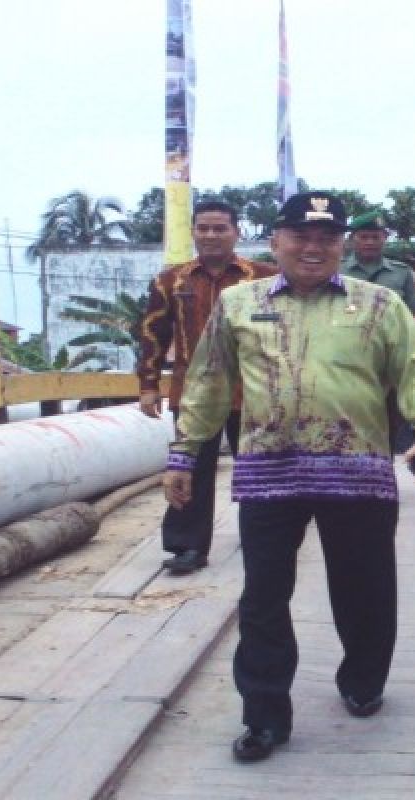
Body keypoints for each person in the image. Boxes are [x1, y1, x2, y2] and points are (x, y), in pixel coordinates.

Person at [163, 191, 415, 764]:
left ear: (342, 245)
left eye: (326, 237)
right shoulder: (239, 304)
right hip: (270, 472)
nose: (313, 247)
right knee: (264, 597)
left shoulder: (378, 304)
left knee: (364, 589)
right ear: (276, 242)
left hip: (360, 474)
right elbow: (208, 381)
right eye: (300, 235)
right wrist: (183, 453)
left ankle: (364, 679)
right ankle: (265, 715)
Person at [138, 199, 276, 575]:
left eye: (220, 228)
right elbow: (152, 334)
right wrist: (148, 385)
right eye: (204, 228)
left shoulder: (264, 278)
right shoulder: (171, 281)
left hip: (253, 392)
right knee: (190, 467)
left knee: (259, 468)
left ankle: (264, 540)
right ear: (194, 232)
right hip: (193, 393)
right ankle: (187, 546)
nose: (211, 235)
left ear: (237, 233)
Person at [341, 210, 415, 452]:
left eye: (376, 236)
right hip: (349, 354)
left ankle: (386, 468)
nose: (370, 242)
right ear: (353, 239)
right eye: (364, 236)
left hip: (392, 355)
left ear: (385, 238)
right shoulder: (337, 270)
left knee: (393, 416)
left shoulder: (402, 272)